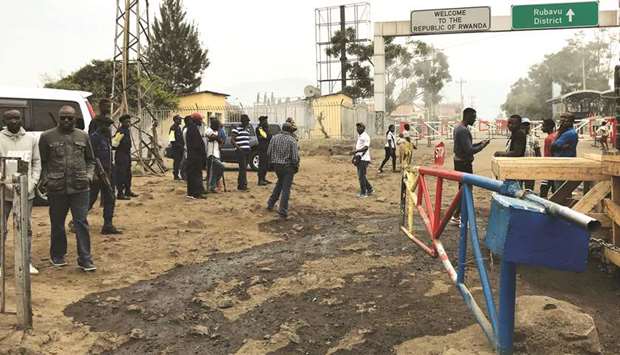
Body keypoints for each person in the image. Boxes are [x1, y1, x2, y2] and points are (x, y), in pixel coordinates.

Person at [39, 106, 96, 271]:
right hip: (57, 188)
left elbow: (91, 160)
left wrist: (89, 176)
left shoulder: (83, 136)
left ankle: (85, 258)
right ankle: (58, 255)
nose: (66, 121)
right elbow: (42, 162)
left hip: (80, 187)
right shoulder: (47, 137)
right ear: (58, 118)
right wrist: (46, 179)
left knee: (81, 223)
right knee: (57, 223)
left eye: (69, 118)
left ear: (75, 119)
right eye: (63, 117)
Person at [0, 110, 41, 275]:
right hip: (4, 192)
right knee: (1, 228)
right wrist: (9, 184)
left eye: (17, 118)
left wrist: (31, 185)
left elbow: (36, 162)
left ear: (21, 119)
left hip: (26, 193)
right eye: (10, 118)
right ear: (4, 120)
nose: (14, 121)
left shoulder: (31, 139)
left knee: (25, 228)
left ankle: (26, 262)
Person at [451, 108, 490, 225]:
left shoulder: (460, 128)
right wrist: (482, 146)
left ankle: (457, 215)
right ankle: (460, 217)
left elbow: (466, 146)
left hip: (459, 162)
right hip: (464, 163)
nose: (475, 119)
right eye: (473, 117)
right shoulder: (463, 130)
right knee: (466, 190)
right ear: (467, 116)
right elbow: (469, 150)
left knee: (463, 190)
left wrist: (480, 143)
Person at [88, 116, 121, 235]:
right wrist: (96, 173)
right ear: (100, 125)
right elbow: (91, 158)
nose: (108, 128)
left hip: (108, 172)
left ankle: (108, 224)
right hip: (97, 174)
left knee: (110, 198)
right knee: (90, 199)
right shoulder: (93, 138)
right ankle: (77, 221)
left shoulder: (106, 138)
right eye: (106, 125)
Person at [266, 122, 300, 219]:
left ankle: (270, 203)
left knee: (280, 183)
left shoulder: (274, 138)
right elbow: (294, 158)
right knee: (286, 189)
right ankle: (282, 211)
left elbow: (269, 152)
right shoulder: (292, 140)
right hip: (288, 167)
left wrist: (273, 162)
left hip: (277, 166)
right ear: (290, 130)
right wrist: (296, 166)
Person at [112, 115, 137, 200]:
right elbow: (114, 144)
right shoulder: (120, 131)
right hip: (121, 155)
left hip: (127, 154)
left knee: (128, 174)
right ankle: (120, 193)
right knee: (121, 174)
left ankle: (128, 190)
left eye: (129, 121)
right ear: (122, 122)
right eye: (126, 122)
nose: (128, 123)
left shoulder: (127, 131)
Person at [185, 113, 207, 199]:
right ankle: (196, 193)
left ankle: (191, 193)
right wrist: (202, 155)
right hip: (195, 156)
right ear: (196, 120)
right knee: (196, 174)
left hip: (192, 156)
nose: (201, 121)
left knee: (192, 174)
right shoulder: (193, 128)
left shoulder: (191, 128)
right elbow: (197, 144)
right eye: (200, 119)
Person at [351, 122, 373, 198]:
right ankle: (370, 189)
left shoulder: (366, 136)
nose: (358, 129)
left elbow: (366, 147)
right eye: (357, 127)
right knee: (362, 176)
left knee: (361, 176)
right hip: (359, 158)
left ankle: (363, 193)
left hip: (364, 159)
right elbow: (359, 146)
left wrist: (356, 151)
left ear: (363, 128)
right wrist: (355, 155)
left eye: (360, 127)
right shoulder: (360, 136)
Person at [231, 114, 252, 191]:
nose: (248, 122)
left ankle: (240, 185)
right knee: (242, 168)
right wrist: (238, 148)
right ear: (243, 121)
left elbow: (247, 139)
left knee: (243, 168)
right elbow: (232, 140)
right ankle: (243, 186)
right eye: (247, 121)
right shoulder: (236, 129)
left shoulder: (248, 129)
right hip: (241, 151)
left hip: (247, 151)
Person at [205, 118, 224, 193]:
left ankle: (213, 185)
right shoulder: (208, 130)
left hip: (217, 154)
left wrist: (217, 139)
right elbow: (213, 137)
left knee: (217, 170)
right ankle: (210, 186)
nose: (219, 127)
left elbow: (220, 140)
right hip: (211, 154)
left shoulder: (215, 131)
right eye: (218, 125)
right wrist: (217, 139)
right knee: (214, 170)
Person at [540, 118, 557, 198]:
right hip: (555, 166)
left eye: (543, 126)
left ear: (549, 127)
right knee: (555, 188)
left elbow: (548, 154)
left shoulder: (549, 138)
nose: (542, 128)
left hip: (549, 166)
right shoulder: (556, 136)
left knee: (544, 189)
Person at [256, 116, 272, 185]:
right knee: (262, 165)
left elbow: (268, 136)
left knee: (266, 165)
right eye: (265, 121)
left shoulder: (265, 128)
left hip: (266, 148)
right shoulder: (260, 128)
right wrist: (266, 132)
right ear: (262, 121)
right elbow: (266, 136)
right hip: (262, 149)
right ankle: (260, 180)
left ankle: (264, 178)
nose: (267, 122)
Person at [169, 115, 184, 180]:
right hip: (176, 148)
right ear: (175, 120)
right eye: (179, 119)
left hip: (180, 148)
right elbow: (171, 139)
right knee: (176, 162)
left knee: (179, 162)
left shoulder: (179, 128)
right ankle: (175, 175)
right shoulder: (173, 128)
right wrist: (178, 145)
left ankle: (178, 174)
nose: (180, 120)